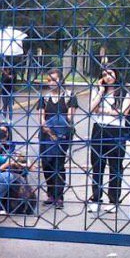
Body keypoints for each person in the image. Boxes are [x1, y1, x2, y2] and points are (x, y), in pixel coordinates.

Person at [87, 68, 130, 214]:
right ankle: (96, 199)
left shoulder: (125, 92)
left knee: (115, 167)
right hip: (99, 129)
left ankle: (113, 200)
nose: (108, 77)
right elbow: (91, 108)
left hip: (116, 131)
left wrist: (102, 110)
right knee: (97, 166)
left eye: (111, 73)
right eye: (105, 74)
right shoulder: (99, 91)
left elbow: (122, 113)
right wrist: (100, 91)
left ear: (117, 74)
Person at [36, 70, 77, 209]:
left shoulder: (69, 96)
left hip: (62, 135)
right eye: (48, 80)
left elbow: (70, 117)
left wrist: (58, 130)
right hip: (46, 135)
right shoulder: (45, 98)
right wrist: (47, 128)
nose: (51, 83)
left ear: (60, 81)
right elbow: (41, 117)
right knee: (46, 164)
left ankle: (59, 196)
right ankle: (50, 194)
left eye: (53, 79)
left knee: (58, 164)